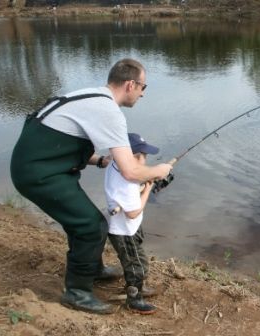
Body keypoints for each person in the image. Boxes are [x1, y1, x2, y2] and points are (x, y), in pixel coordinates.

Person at [10, 59, 172, 315]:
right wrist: (159, 171)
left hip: (40, 166)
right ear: (130, 84)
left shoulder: (90, 97)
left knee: (84, 221)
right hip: (39, 174)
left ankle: (93, 269)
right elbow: (131, 171)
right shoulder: (109, 111)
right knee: (91, 225)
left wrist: (99, 160)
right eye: (143, 87)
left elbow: (60, 140)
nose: (143, 93)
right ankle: (77, 292)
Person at [105, 133, 160, 314]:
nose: (145, 160)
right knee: (138, 267)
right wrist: (147, 190)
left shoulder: (115, 166)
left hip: (128, 229)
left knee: (137, 259)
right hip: (124, 232)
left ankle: (139, 287)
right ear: (134, 157)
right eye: (144, 156)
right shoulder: (127, 182)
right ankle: (134, 299)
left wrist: (142, 185)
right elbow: (133, 212)